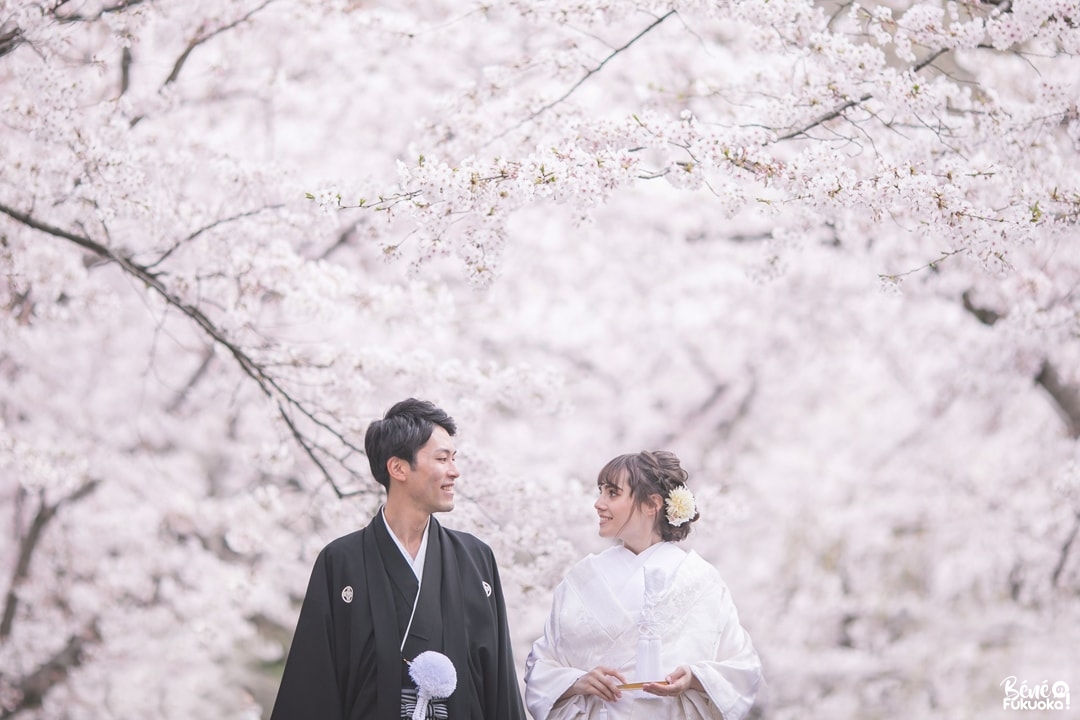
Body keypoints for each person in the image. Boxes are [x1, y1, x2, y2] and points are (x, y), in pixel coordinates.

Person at [269, 398, 527, 720]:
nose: (454, 471)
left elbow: (499, 681)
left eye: (454, 458)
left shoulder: (476, 560)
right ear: (398, 468)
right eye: (442, 459)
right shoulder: (341, 563)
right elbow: (313, 683)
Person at [524, 451, 763, 720]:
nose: (598, 504)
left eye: (612, 493)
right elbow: (541, 665)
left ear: (652, 504)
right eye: (600, 492)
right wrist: (575, 682)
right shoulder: (581, 579)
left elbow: (743, 668)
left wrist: (695, 678)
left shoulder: (701, 580)